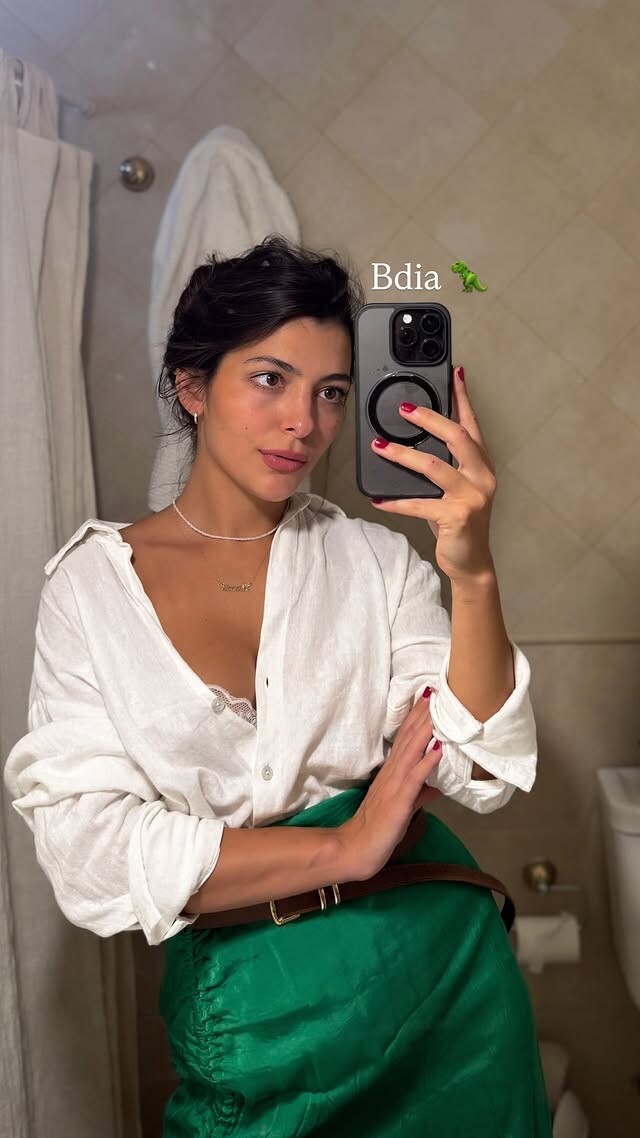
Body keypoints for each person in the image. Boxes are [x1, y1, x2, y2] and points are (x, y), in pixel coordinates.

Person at [4, 236, 552, 1136]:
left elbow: (482, 767)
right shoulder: (90, 590)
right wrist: (344, 847)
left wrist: (473, 572)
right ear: (191, 386)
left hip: (442, 991)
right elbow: (88, 850)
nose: (304, 421)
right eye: (270, 379)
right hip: (246, 1013)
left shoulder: (375, 564)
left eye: (331, 392)